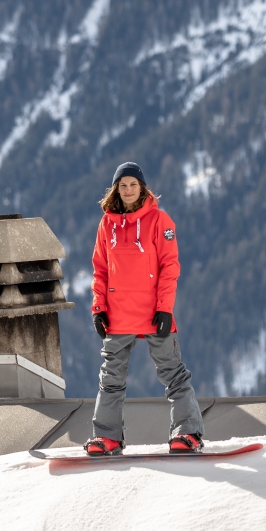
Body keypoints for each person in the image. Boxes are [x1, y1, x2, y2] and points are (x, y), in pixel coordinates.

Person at [84, 161, 204, 455]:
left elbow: (169, 267)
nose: (127, 190)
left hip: (153, 312)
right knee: (111, 377)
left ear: (142, 188)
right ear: (115, 189)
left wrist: (164, 308)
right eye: (122, 185)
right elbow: (100, 269)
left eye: (132, 185)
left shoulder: (159, 221)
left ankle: (188, 433)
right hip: (118, 313)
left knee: (172, 372)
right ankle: (107, 437)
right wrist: (98, 307)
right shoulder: (106, 224)